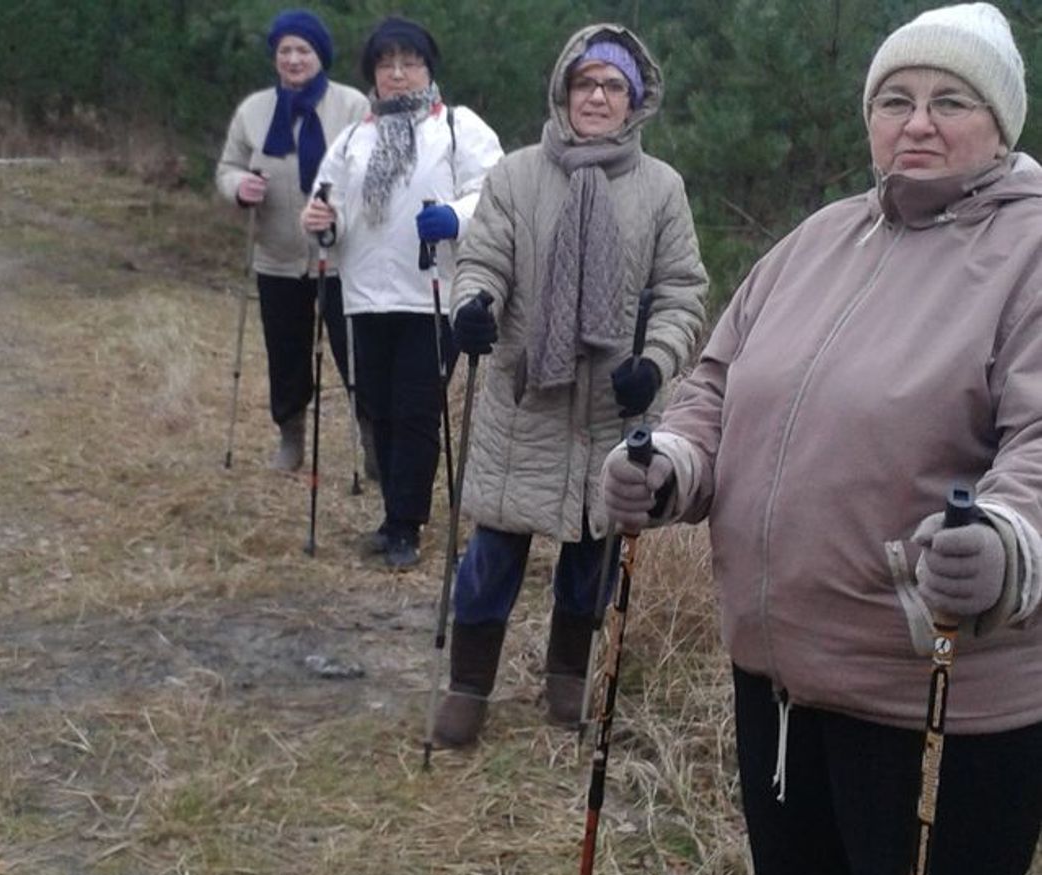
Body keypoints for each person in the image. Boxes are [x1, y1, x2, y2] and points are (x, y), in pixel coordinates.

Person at [603, 5, 1042, 875]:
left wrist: (1007, 540)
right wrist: (676, 462)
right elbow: (716, 381)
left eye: (950, 101)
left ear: (1001, 122)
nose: (917, 123)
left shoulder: (1032, 249)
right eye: (896, 100)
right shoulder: (819, 238)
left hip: (938, 695)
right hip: (782, 674)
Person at [429, 24, 707, 746]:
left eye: (614, 86)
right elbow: (483, 261)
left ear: (636, 101)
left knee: (592, 557)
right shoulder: (516, 175)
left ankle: (567, 679)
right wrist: (473, 307)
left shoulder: (662, 188)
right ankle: (467, 686)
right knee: (492, 555)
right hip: (524, 397)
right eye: (586, 82)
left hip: (613, 406)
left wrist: (657, 361)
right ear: (563, 89)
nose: (598, 96)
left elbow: (681, 291)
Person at [300, 17, 503, 569]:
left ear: (428, 69)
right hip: (363, 296)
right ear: (373, 72)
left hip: (433, 296)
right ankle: (394, 514)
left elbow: (492, 191)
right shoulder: (354, 138)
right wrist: (321, 223)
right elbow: (328, 205)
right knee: (378, 408)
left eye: (409, 63)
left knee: (415, 410)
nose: (397, 74)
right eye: (386, 64)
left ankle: (405, 526)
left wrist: (455, 217)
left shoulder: (459, 127)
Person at [216, 9, 369, 472]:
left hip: (343, 257)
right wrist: (239, 186)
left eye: (303, 50)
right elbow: (228, 167)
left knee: (357, 355)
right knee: (286, 354)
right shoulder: (254, 110)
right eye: (285, 51)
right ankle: (291, 436)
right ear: (275, 57)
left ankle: (374, 442)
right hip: (277, 255)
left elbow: (370, 172)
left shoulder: (352, 106)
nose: (294, 59)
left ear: (320, 55)